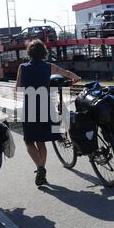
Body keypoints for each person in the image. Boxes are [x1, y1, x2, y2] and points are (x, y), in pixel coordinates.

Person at [16, 40, 81, 187]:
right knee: (41, 142)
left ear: (29, 53)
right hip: (47, 107)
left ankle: (40, 168)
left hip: (30, 108)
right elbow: (66, 73)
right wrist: (76, 78)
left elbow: (18, 89)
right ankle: (41, 169)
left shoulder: (22, 67)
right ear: (44, 52)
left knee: (29, 141)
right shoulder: (48, 67)